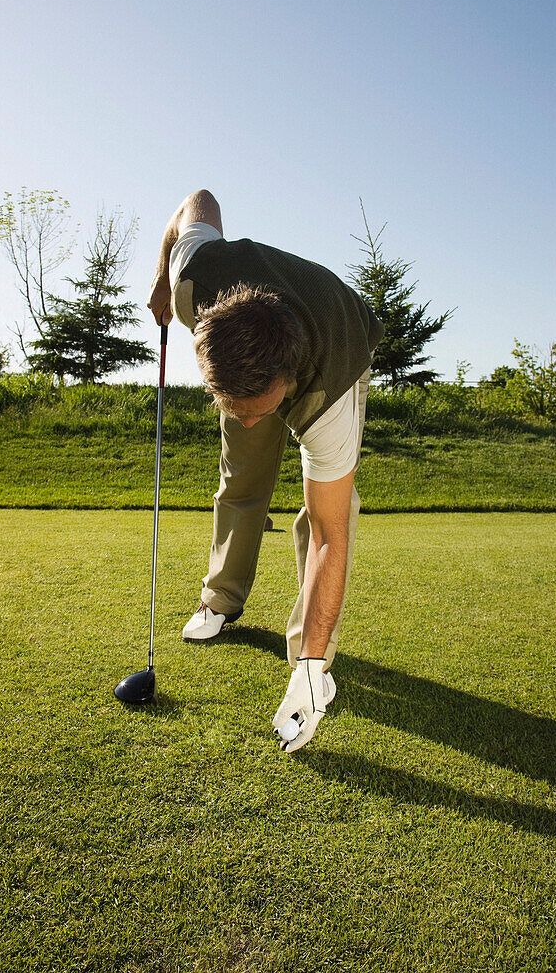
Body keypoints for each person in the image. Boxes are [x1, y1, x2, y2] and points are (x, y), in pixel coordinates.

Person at [148, 190, 383, 752]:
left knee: (325, 514)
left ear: (286, 382)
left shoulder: (327, 388)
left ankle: (311, 664)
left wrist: (308, 664)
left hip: (340, 335)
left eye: (263, 409)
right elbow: (196, 200)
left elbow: (331, 536)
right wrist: (161, 279)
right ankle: (221, 599)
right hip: (251, 329)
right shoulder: (196, 278)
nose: (253, 423)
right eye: (233, 407)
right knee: (241, 480)